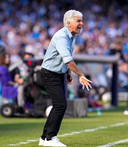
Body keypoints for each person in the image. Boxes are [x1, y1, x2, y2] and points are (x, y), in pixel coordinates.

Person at [39, 10, 92, 147]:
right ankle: (50, 138)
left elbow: (65, 58)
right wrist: (80, 75)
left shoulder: (72, 35)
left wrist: (67, 72)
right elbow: (68, 59)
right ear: (68, 23)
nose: (81, 23)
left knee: (59, 105)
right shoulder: (62, 36)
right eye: (78, 21)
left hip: (58, 73)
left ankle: (45, 138)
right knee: (61, 105)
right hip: (49, 73)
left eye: (81, 20)